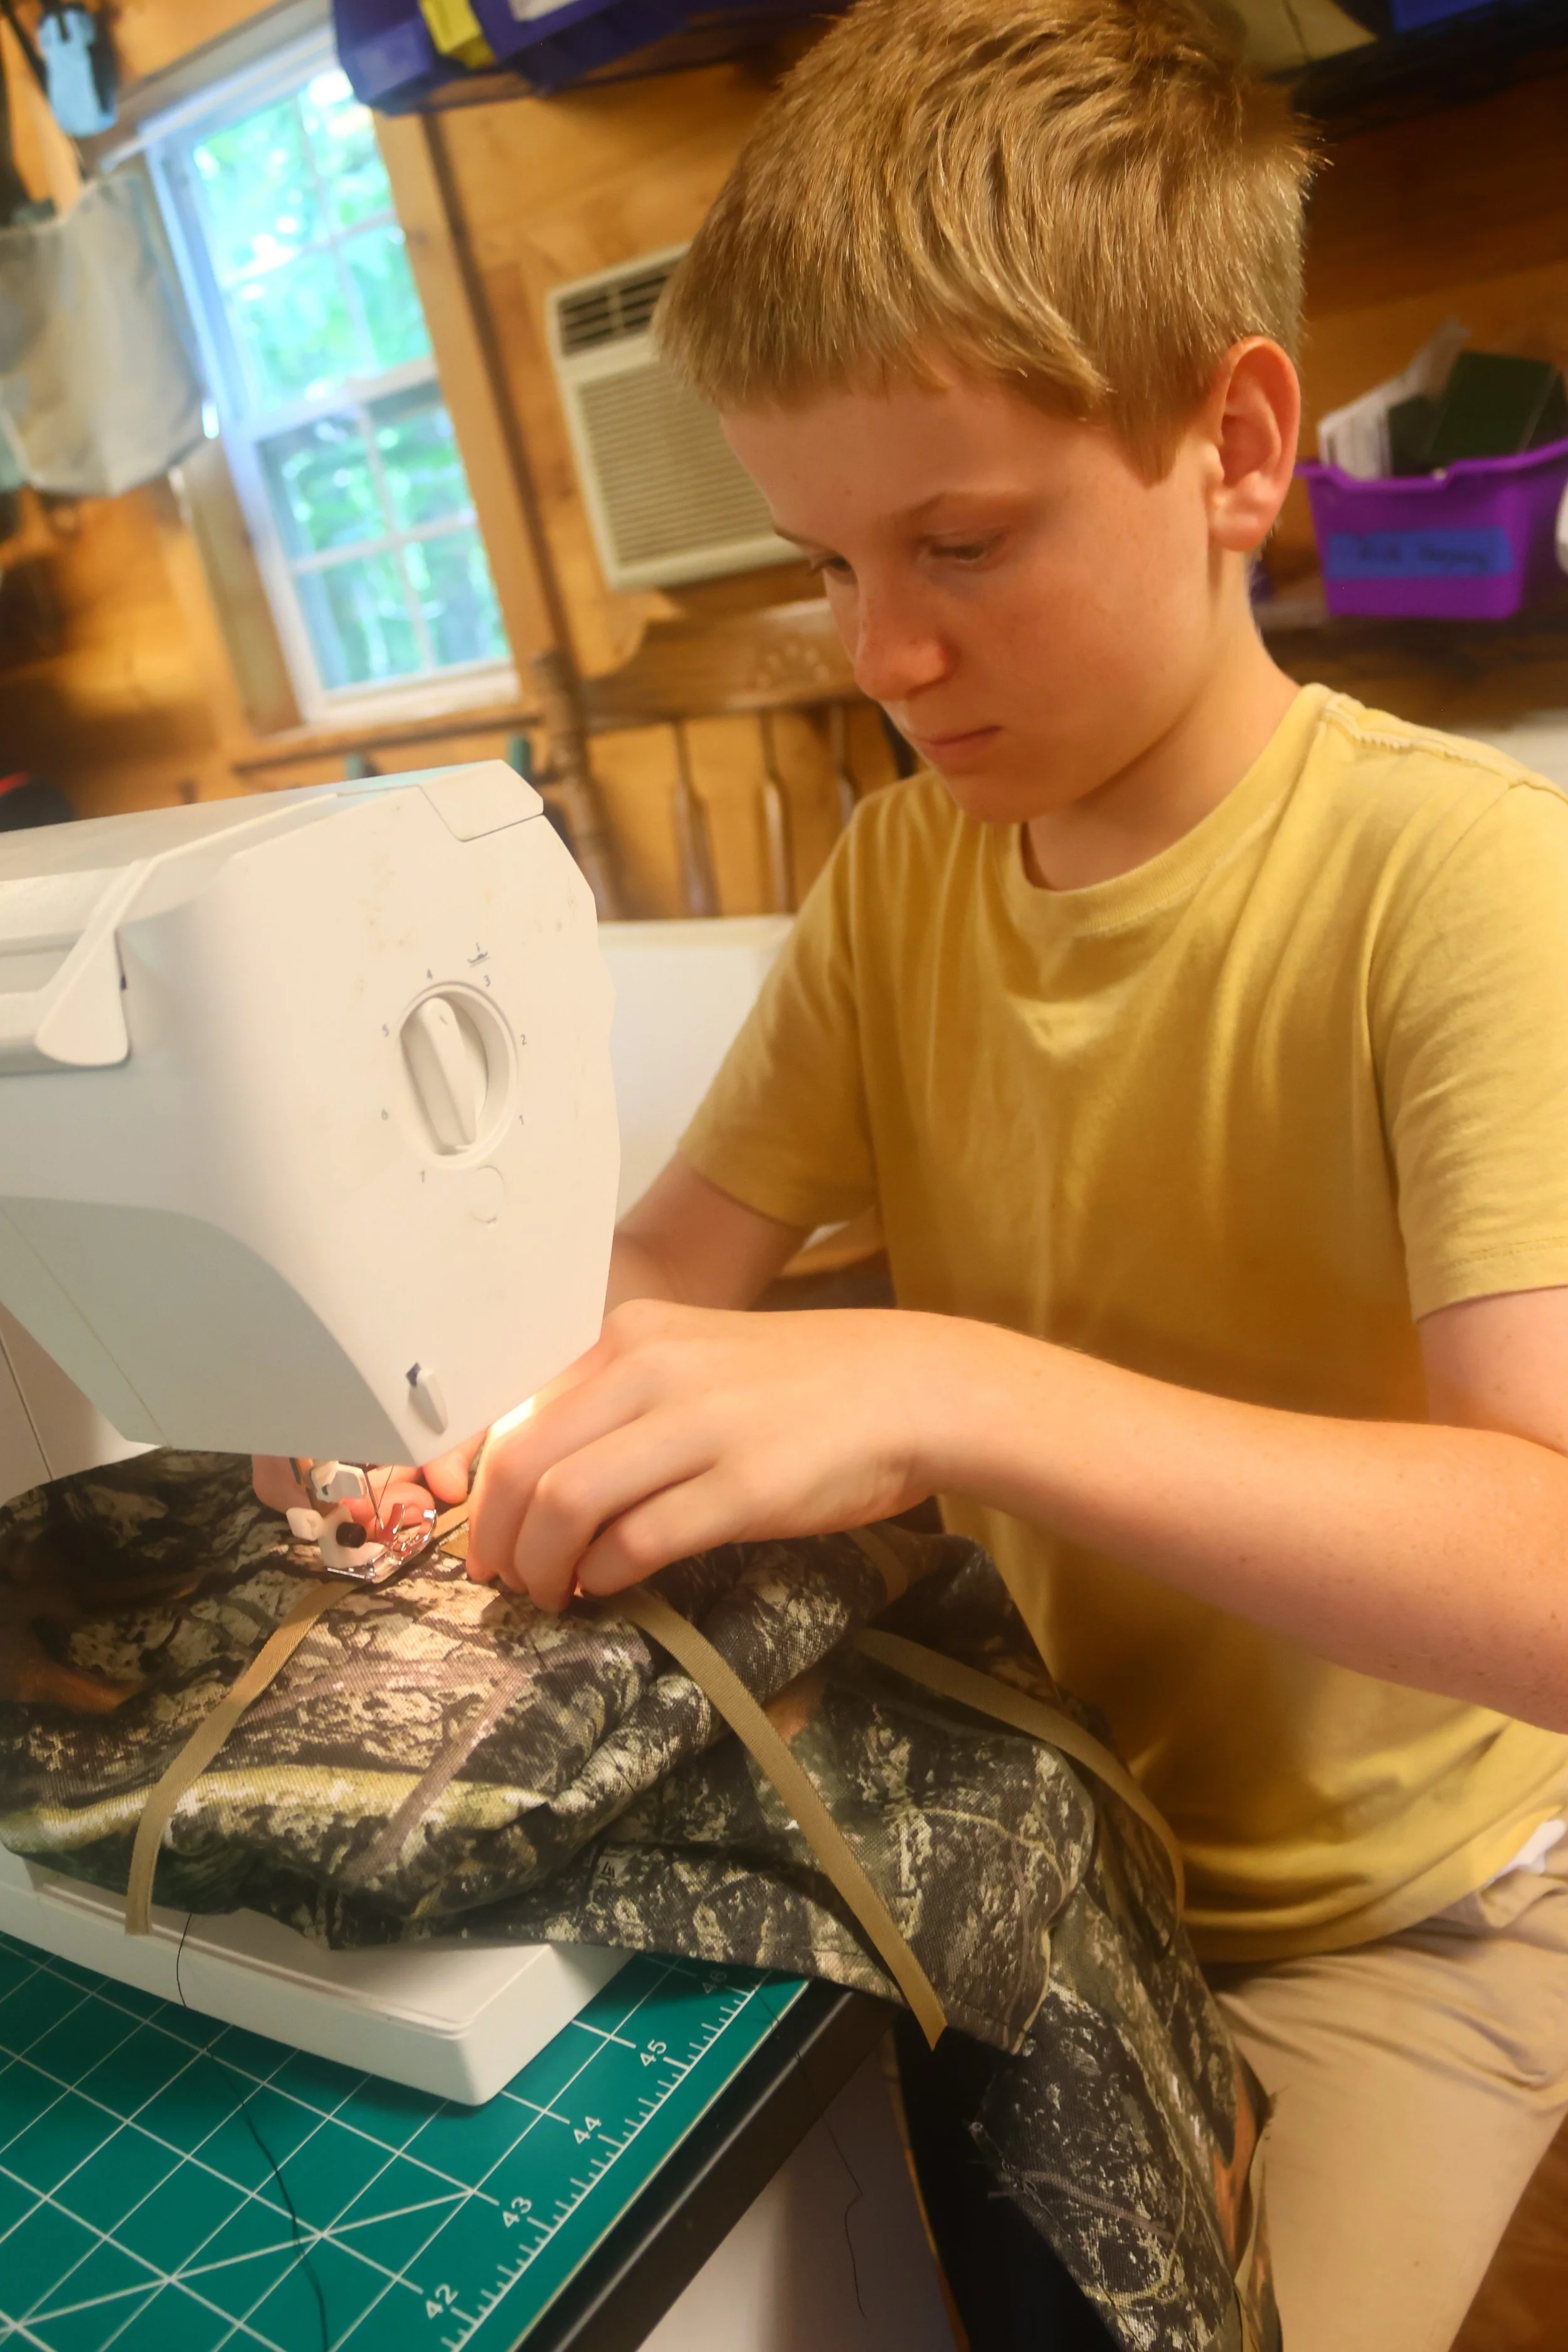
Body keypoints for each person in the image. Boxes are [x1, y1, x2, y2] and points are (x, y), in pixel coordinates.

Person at [260, 3, 1568, 2343]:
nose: (880, 649)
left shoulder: (1460, 886)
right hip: (1033, 1820)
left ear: (1232, 447)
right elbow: (668, 1264)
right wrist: (466, 1409)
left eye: (959, 541)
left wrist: (955, 1383)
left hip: (1392, 1920)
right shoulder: (898, 882)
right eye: (824, 561)